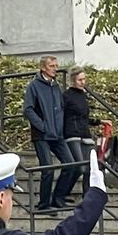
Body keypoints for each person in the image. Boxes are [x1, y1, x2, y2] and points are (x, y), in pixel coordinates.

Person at [22, 55, 75, 213]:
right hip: (42, 135)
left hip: (57, 134)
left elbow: (61, 108)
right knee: (48, 169)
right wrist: (42, 126)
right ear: (43, 68)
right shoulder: (34, 86)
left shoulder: (56, 86)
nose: (55, 68)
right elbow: (28, 109)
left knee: (70, 164)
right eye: (52, 66)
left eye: (56, 65)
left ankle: (58, 198)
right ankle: (44, 204)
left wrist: (60, 127)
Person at [62, 66, 104, 198]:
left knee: (90, 166)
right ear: (73, 80)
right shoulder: (66, 96)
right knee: (79, 166)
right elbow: (62, 115)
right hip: (72, 133)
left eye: (84, 79)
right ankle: (64, 192)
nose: (83, 82)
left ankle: (87, 195)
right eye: (80, 80)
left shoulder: (83, 96)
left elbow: (84, 117)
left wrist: (99, 121)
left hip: (84, 133)